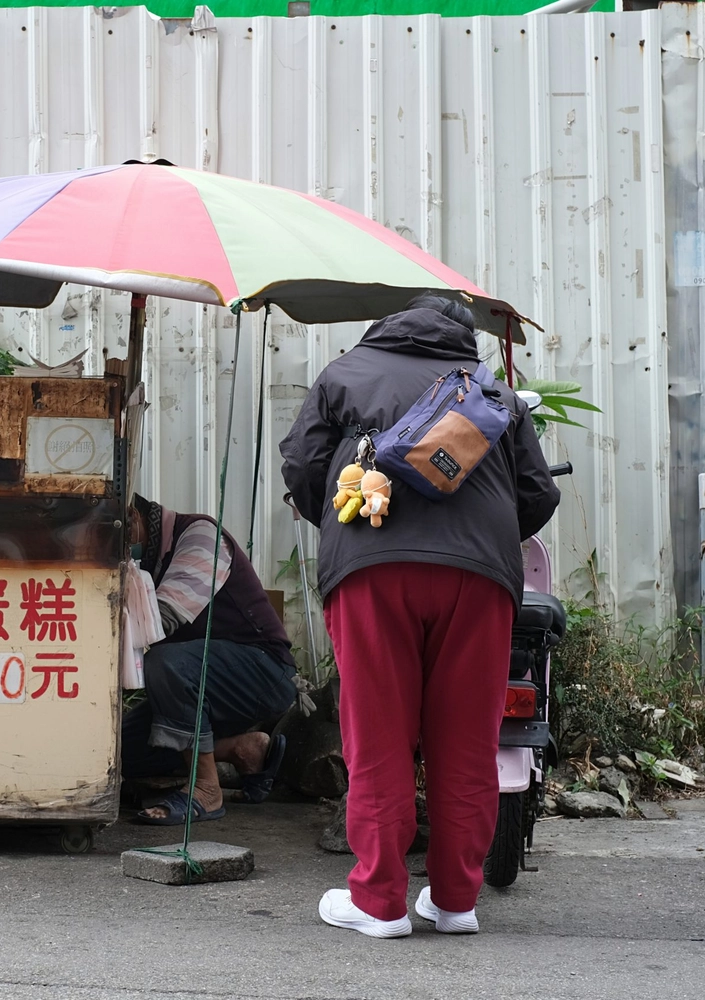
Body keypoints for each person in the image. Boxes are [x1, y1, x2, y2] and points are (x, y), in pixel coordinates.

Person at [279, 294, 559, 938]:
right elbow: (537, 496)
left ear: (390, 327)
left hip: (372, 570)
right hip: (479, 582)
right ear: (463, 339)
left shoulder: (344, 374)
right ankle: (456, 901)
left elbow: (303, 466)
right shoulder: (491, 392)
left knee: (378, 734)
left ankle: (379, 902)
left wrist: (338, 512)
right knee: (466, 740)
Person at [123, 494, 295, 825]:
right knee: (120, 754)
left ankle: (205, 790)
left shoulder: (201, 535)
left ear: (133, 518)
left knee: (165, 661)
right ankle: (241, 749)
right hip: (205, 685)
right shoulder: (147, 561)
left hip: (264, 673)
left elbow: (159, 621)